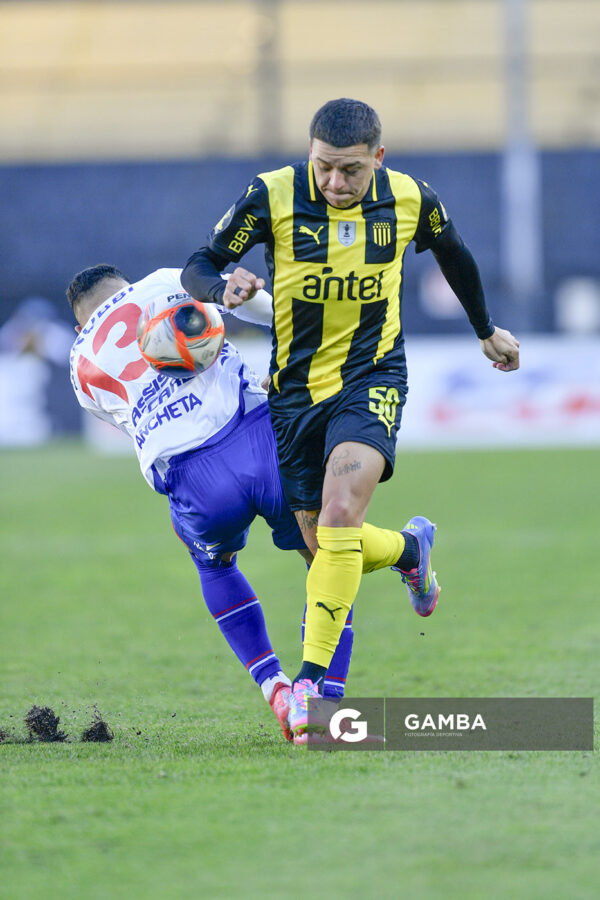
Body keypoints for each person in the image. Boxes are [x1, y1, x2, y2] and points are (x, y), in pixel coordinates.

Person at [181, 97, 520, 741]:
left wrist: (485, 330)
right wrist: (219, 287)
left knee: (340, 516)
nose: (335, 183)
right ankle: (408, 549)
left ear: (378, 159)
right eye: (324, 167)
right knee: (323, 550)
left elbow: (455, 254)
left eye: (351, 171)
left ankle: (310, 689)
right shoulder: (271, 195)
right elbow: (200, 261)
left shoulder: (412, 198)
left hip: (372, 377)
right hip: (293, 396)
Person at [67, 264, 356, 744]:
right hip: (257, 432)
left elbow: (131, 422)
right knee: (327, 558)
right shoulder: (162, 281)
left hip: (191, 475)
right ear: (127, 285)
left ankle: (275, 688)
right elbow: (251, 302)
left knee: (214, 565)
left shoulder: (79, 362)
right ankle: (327, 704)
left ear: (80, 325)